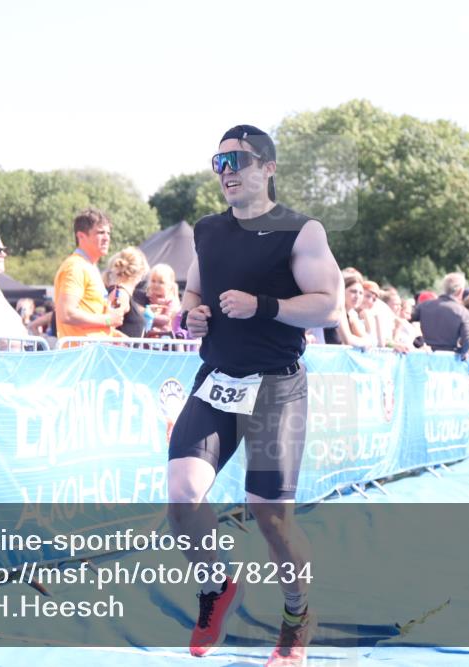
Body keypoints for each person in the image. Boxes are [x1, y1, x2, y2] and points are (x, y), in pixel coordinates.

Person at [167, 125, 342, 666]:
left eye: (238, 160)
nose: (227, 171)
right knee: (181, 494)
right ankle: (217, 587)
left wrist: (265, 306)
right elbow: (193, 289)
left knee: (269, 516)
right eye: (218, 163)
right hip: (218, 379)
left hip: (275, 387)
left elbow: (329, 307)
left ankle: (296, 617)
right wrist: (187, 316)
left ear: (267, 168)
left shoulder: (300, 230)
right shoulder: (207, 231)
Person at [53, 208, 127, 340]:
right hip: (82, 355)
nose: (106, 238)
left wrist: (113, 335)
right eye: (100, 232)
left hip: (93, 353)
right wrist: (109, 320)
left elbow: (90, 317)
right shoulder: (75, 267)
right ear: (81, 236)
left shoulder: (89, 266)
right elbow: (66, 314)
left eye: (108, 233)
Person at [411, 273, 469, 356]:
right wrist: (460, 353)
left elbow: (407, 318)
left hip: (425, 355)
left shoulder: (424, 306)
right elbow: (468, 341)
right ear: (460, 291)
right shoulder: (463, 312)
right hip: (449, 359)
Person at [106, 247, 152, 338]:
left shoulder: (121, 293)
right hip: (120, 351)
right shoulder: (121, 295)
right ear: (141, 272)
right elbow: (108, 325)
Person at [336, 275, 376, 348]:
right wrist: (365, 343)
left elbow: (369, 339)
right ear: (342, 291)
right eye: (353, 291)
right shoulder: (337, 309)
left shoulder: (351, 314)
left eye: (361, 293)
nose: (357, 296)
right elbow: (348, 340)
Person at [146, 263, 183, 338]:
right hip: (149, 335)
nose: (156, 285)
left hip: (164, 336)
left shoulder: (171, 301)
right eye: (153, 281)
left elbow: (167, 319)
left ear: (169, 285)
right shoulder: (148, 297)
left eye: (161, 282)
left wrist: (149, 317)